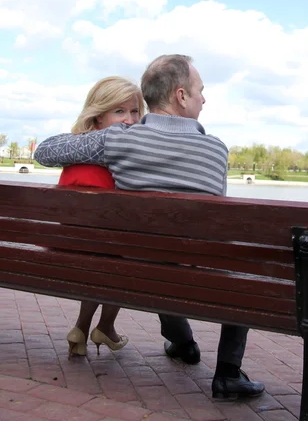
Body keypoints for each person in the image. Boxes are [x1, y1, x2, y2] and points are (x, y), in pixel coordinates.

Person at [35, 55, 264, 400]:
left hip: (142, 273)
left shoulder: (118, 140)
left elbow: (46, 151)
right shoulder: (216, 149)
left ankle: (184, 343)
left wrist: (113, 132)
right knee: (236, 270)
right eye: (201, 91)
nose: (205, 98)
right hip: (201, 275)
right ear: (181, 95)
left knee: (158, 261)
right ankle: (228, 373)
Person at [58, 76, 145, 359]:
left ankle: (82, 330)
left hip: (64, 255)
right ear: (97, 119)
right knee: (124, 257)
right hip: (97, 260)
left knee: (107, 256)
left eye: (135, 111)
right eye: (119, 111)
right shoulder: (117, 169)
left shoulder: (74, 155)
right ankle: (105, 326)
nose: (131, 120)